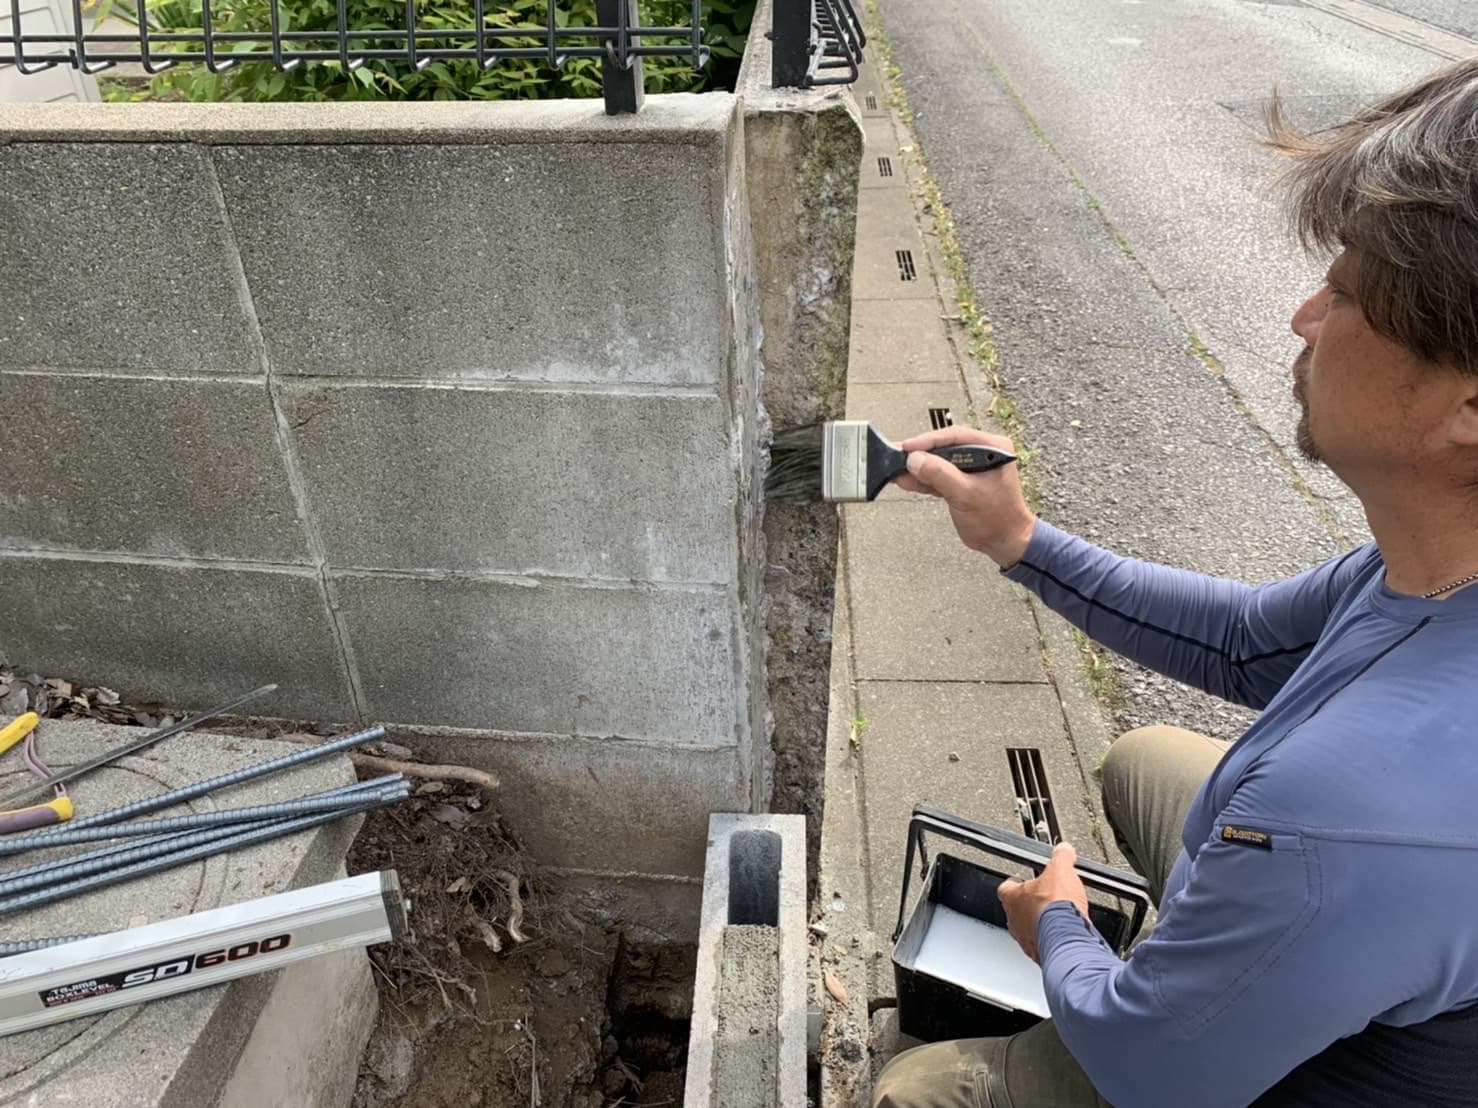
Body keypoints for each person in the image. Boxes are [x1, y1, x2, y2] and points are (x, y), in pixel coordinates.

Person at [870, 55, 1478, 1108]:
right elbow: (1240, 640)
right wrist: (1016, 539)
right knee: (1147, 755)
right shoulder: (1429, 570)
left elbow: (1149, 1070)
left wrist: (1058, 927)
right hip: (1346, 888)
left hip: (1286, 1072)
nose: (1303, 317)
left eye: (1344, 295)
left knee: (917, 1086)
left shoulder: (1337, 814)